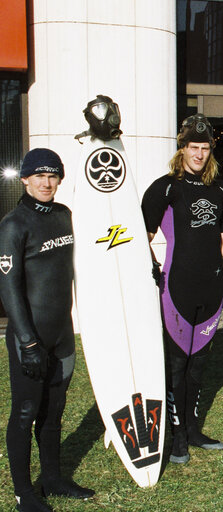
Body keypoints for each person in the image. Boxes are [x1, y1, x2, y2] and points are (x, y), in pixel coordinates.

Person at [0, 149, 95, 512]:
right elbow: (8, 289)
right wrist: (28, 343)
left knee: (55, 411)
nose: (46, 182)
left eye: (53, 175)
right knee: (25, 413)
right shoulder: (14, 224)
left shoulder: (63, 216)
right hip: (31, 338)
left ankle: (52, 479)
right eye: (38, 176)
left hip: (61, 336)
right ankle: (24, 493)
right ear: (24, 179)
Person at [141, 114, 223, 463]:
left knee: (199, 364)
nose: (199, 154)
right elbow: (142, 238)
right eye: (193, 147)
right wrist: (155, 270)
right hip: (176, 288)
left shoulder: (221, 188)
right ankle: (175, 435)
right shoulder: (165, 187)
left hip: (210, 290)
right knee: (177, 364)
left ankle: (192, 429)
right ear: (181, 148)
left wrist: (210, 267)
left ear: (211, 150)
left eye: (205, 148)